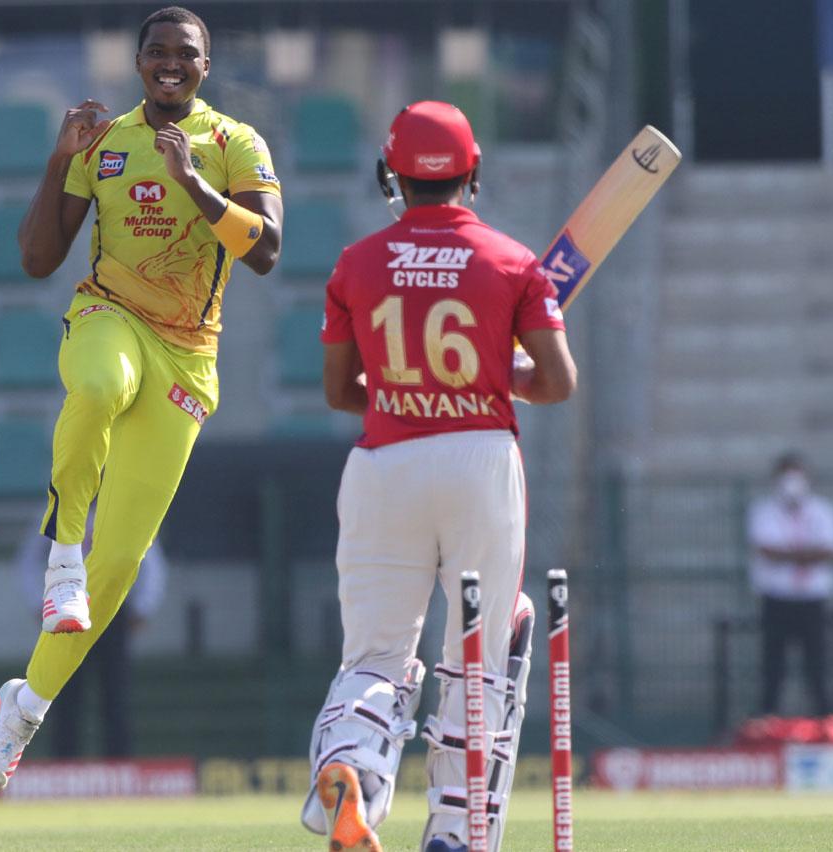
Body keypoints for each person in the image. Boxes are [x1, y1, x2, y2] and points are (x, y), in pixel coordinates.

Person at [0, 5, 282, 792]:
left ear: (205, 67)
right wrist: (57, 160)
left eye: (186, 54)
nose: (170, 64)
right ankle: (61, 553)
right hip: (109, 315)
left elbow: (269, 252)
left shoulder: (234, 142)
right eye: (157, 52)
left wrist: (193, 184)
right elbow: (40, 259)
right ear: (137, 61)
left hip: (187, 359)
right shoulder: (103, 142)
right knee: (101, 384)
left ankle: (21, 712)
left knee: (123, 566)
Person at [300, 101, 577, 852]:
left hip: (384, 463)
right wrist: (496, 376)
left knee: (379, 657)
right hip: (478, 461)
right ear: (473, 172)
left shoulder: (356, 263)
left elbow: (339, 391)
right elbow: (556, 383)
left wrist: (408, 392)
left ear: (390, 175)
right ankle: (454, 832)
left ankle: (351, 770)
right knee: (478, 659)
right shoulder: (512, 261)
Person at [14, 513, 167, 758]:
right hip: (67, 606)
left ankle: (119, 767)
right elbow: (29, 559)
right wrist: (37, 603)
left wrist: (143, 606)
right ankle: (65, 766)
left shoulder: (121, 506)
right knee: (65, 693)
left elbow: (150, 560)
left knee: (115, 692)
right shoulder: (60, 505)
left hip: (110, 609)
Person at [748, 451, 833, 716]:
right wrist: (808, 555)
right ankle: (768, 720)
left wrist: (789, 555)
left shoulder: (824, 510)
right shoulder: (763, 510)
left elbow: (831, 551)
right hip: (777, 597)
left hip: (813, 599)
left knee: (817, 665)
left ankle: (825, 720)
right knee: (773, 666)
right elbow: (767, 550)